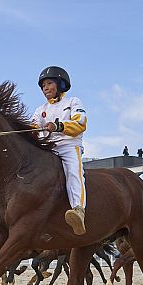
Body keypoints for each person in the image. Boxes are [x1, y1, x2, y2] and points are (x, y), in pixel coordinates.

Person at [30, 66, 88, 234]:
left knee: (73, 173)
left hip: (70, 145)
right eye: (43, 86)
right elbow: (33, 127)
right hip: (48, 148)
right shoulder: (40, 110)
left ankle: (78, 211)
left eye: (49, 83)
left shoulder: (73, 102)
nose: (45, 88)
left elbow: (80, 123)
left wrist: (58, 126)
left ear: (61, 84)